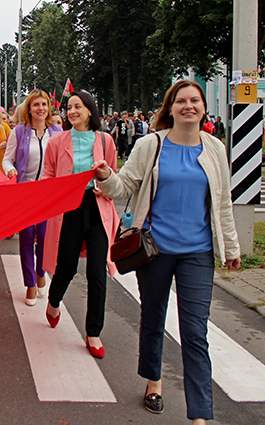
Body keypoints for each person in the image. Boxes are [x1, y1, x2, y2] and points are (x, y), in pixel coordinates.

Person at [93, 80, 241, 424]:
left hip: (198, 252)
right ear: (170, 108)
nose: (188, 106)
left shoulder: (215, 148)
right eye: (181, 101)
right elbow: (124, 186)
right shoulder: (151, 145)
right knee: (154, 316)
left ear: (203, 108)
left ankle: (200, 415)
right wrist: (105, 176)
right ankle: (154, 381)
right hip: (154, 250)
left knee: (194, 332)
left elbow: (222, 201)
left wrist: (230, 247)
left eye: (195, 100)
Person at [41, 92, 118, 359]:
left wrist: (104, 180)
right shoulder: (57, 140)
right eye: (69, 107)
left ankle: (93, 332)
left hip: (97, 207)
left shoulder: (105, 140)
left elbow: (114, 175)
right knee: (66, 267)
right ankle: (53, 302)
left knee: (97, 272)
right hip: (68, 208)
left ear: (89, 110)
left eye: (78, 107)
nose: (72, 111)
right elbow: (48, 173)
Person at [2, 90, 62, 305]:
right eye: (36, 104)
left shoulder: (57, 131)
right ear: (29, 109)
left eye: (44, 104)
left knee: (45, 236)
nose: (41, 108)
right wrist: (11, 170)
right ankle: (29, 283)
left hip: (48, 193)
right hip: (26, 192)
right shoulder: (18, 132)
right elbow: (7, 160)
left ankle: (40, 273)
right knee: (27, 235)